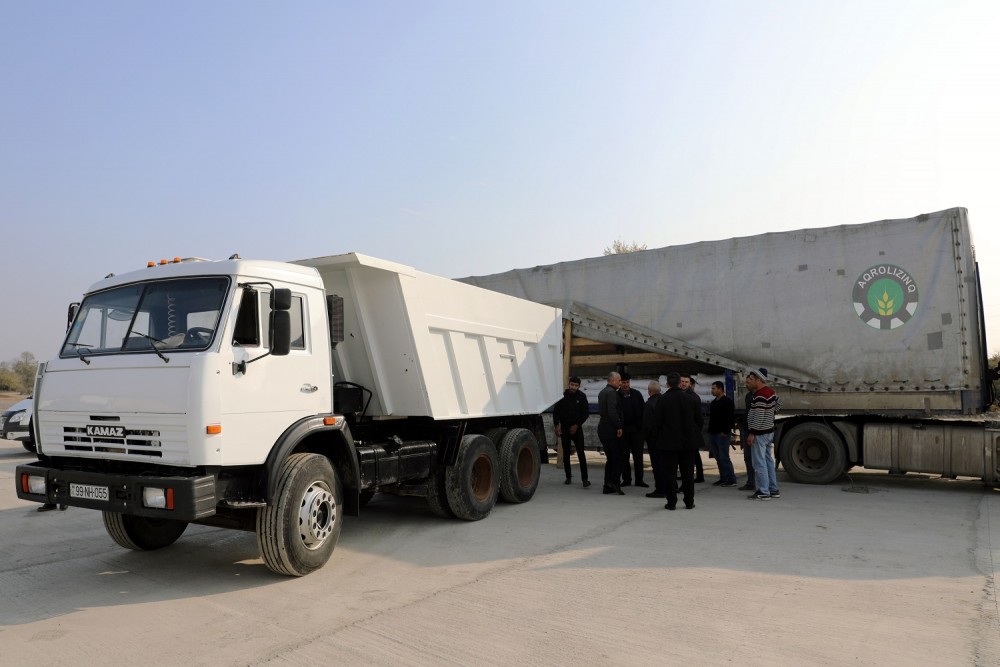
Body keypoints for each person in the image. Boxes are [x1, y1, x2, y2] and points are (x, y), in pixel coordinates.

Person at [651, 372, 703, 510]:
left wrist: (657, 439)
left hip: (669, 443)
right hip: (688, 443)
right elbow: (699, 420)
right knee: (688, 474)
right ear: (680, 383)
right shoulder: (691, 399)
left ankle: (672, 502)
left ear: (667, 384)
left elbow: (657, 422)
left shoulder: (662, 400)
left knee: (670, 474)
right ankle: (689, 501)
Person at [745, 367, 781, 501]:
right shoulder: (770, 392)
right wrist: (770, 414)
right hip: (768, 431)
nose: (749, 381)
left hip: (759, 434)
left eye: (752, 379)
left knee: (759, 463)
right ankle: (773, 489)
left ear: (759, 380)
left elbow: (759, 417)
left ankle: (763, 491)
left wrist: (752, 433)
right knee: (768, 461)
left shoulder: (760, 395)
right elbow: (778, 405)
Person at [553, 376, 591, 488]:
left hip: (577, 429)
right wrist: (556, 425)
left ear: (579, 386)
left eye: (576, 385)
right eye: (572, 385)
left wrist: (577, 425)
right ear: (569, 384)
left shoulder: (582, 397)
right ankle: (568, 477)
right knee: (566, 453)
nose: (573, 387)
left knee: (581, 453)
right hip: (565, 428)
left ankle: (585, 479)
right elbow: (556, 412)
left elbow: (585, 413)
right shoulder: (562, 396)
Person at [598, 371, 625, 495]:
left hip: (603, 426)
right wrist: (619, 426)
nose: (620, 383)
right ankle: (614, 483)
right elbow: (612, 411)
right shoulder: (612, 393)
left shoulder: (603, 392)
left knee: (611, 458)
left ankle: (607, 485)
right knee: (617, 457)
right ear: (613, 380)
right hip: (610, 427)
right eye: (619, 380)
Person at [618, 372, 647, 488]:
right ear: (619, 383)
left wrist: (640, 427)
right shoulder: (616, 396)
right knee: (624, 456)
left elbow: (643, 411)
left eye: (627, 382)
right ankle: (626, 479)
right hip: (623, 430)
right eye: (623, 382)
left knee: (638, 456)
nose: (625, 385)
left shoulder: (637, 394)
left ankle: (639, 479)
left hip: (636, 431)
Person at [708, 381, 738, 487]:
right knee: (718, 457)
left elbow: (730, 418)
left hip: (722, 434)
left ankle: (731, 479)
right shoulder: (714, 403)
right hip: (713, 433)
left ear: (720, 389)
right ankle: (723, 478)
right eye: (712, 388)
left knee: (724, 457)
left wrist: (726, 432)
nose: (712, 390)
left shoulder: (727, 402)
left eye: (714, 388)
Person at [641, 380, 668, 498]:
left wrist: (643, 438)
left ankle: (660, 489)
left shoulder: (649, 404)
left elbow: (647, 425)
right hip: (666, 438)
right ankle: (670, 487)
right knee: (667, 465)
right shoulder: (666, 401)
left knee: (657, 465)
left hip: (654, 440)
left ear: (649, 391)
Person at [679, 374, 705, 483]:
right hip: (682, 431)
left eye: (686, 382)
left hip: (690, 431)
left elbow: (698, 417)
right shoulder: (679, 394)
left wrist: (695, 430)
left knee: (692, 455)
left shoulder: (694, 397)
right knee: (691, 455)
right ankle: (692, 475)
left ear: (690, 384)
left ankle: (698, 476)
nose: (684, 384)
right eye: (682, 381)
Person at [738, 389, 756, 491]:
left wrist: (752, 432)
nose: (747, 383)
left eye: (750, 380)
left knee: (758, 460)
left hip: (753, 432)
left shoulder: (761, 394)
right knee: (748, 458)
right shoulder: (749, 395)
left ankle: (765, 487)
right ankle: (750, 482)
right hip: (747, 430)